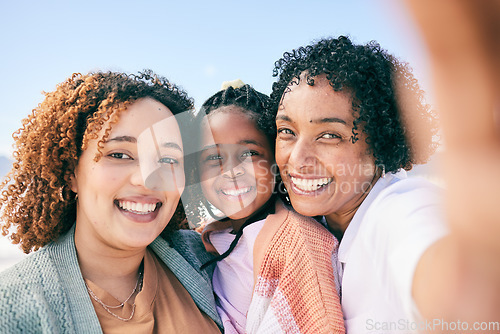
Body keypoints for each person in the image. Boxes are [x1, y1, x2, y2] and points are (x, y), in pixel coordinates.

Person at [0, 71, 222, 333]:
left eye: (168, 160)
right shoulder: (14, 309)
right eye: (119, 154)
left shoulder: (203, 258)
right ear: (71, 173)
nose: (147, 180)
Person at [263, 36, 450, 332]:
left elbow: (434, 256)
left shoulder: (397, 211)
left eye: (329, 135)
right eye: (287, 130)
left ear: (381, 142)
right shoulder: (310, 225)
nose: (297, 159)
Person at [183, 81, 344, 334]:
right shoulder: (215, 236)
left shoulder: (298, 244)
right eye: (214, 158)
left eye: (249, 154)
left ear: (276, 159)